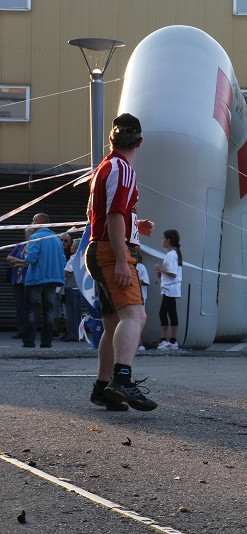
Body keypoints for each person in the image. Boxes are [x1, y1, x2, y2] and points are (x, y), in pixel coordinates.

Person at [85, 113, 157, 411]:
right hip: (111, 251)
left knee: (114, 321)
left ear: (111, 139)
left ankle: (103, 388)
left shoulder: (105, 167)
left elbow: (108, 215)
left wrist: (135, 226)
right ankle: (121, 380)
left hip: (99, 247)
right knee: (135, 317)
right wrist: (119, 259)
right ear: (140, 141)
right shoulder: (123, 168)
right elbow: (114, 216)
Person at [22, 213, 66, 349]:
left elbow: (31, 259)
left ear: (39, 222)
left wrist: (25, 253)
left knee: (31, 310)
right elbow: (63, 260)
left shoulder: (35, 237)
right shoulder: (56, 239)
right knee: (48, 311)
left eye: (33, 220)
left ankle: (29, 342)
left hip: (37, 278)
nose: (31, 222)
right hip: (53, 279)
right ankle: (46, 342)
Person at [154, 229, 183, 350]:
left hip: (171, 288)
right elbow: (169, 272)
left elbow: (173, 273)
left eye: (163, 238)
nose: (162, 240)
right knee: (165, 312)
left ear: (168, 240)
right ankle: (164, 340)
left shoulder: (172, 255)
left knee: (170, 312)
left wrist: (161, 269)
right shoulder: (172, 254)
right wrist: (161, 273)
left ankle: (171, 341)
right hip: (168, 288)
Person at [6, 228, 31, 340]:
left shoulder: (34, 246)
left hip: (29, 281)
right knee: (19, 306)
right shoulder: (20, 245)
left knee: (29, 307)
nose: (28, 236)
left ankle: (29, 331)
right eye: (27, 234)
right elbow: (9, 257)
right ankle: (21, 330)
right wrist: (20, 262)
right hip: (17, 280)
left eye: (29, 234)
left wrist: (17, 262)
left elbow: (28, 262)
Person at [61, 237, 86, 342]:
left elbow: (67, 272)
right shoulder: (84, 257)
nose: (71, 247)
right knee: (78, 312)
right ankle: (79, 334)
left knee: (71, 312)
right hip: (80, 287)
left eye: (73, 245)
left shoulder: (73, 258)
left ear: (77, 247)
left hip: (71, 286)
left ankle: (73, 335)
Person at [134, 248, 150, 350]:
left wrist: (137, 281)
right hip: (131, 298)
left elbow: (146, 282)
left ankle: (139, 343)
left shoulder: (141, 267)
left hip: (140, 298)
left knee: (137, 321)